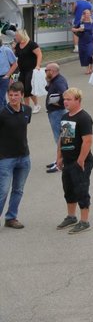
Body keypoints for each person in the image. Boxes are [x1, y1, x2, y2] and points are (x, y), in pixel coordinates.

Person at [55, 87, 93, 234]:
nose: (65, 102)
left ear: (77, 100)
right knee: (69, 189)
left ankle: (84, 221)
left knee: (81, 189)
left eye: (68, 99)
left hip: (81, 161)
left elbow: (87, 141)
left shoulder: (83, 118)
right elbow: (63, 138)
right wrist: (59, 156)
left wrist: (81, 160)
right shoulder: (66, 117)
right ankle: (71, 217)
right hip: (68, 161)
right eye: (64, 99)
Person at [0, 82, 31, 229]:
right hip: (6, 158)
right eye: (10, 95)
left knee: (18, 189)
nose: (12, 98)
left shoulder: (27, 110)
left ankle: (11, 218)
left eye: (16, 95)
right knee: (3, 191)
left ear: (22, 95)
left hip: (24, 157)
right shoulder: (2, 113)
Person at [44, 63, 69, 173]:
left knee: (60, 138)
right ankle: (59, 159)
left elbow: (65, 94)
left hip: (57, 113)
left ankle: (61, 162)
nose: (45, 72)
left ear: (52, 71)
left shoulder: (59, 82)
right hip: (55, 113)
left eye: (46, 70)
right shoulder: (55, 80)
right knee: (61, 137)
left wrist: (58, 104)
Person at [10, 29, 42, 114]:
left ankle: (36, 104)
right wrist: (13, 48)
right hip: (22, 70)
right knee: (22, 88)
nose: (15, 38)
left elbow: (39, 54)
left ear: (21, 36)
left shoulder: (31, 44)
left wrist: (38, 65)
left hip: (31, 69)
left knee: (28, 87)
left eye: (16, 36)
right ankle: (27, 107)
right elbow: (16, 57)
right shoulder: (18, 45)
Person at [72, 9, 93, 74]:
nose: (88, 15)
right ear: (84, 15)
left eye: (89, 13)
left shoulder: (92, 22)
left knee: (89, 54)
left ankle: (91, 66)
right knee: (84, 55)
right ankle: (87, 68)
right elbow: (73, 29)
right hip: (82, 41)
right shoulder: (80, 22)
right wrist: (78, 29)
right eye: (87, 13)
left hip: (90, 41)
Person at [0, 37, 16, 108]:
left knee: (0, 99)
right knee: (2, 100)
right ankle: (6, 114)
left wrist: (8, 75)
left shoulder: (6, 50)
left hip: (4, 78)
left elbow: (15, 64)